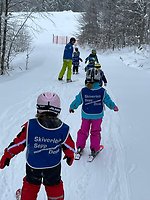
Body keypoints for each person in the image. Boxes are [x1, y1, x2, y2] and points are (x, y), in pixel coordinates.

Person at [0, 92, 75, 200]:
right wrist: (70, 155)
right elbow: (70, 146)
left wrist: (8, 154)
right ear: (58, 109)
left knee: (31, 185)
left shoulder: (31, 126)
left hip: (33, 166)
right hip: (53, 167)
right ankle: (56, 198)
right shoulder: (63, 129)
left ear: (38, 108)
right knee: (54, 186)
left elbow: (18, 143)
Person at [69, 68, 118, 156]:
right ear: (99, 79)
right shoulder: (102, 91)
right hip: (97, 115)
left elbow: (77, 100)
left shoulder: (84, 91)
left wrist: (72, 107)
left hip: (86, 115)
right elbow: (108, 101)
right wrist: (113, 107)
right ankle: (94, 148)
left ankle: (80, 146)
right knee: (95, 132)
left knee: (83, 131)